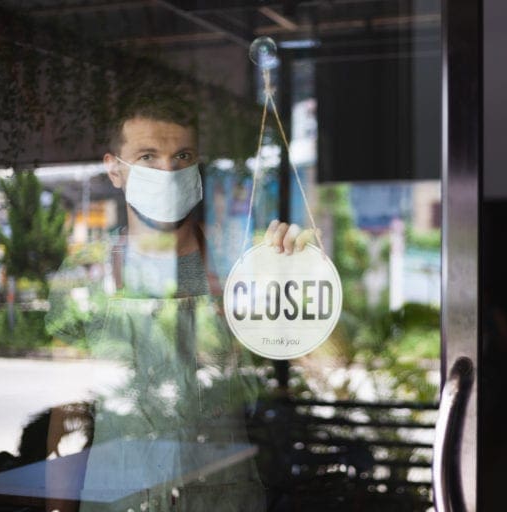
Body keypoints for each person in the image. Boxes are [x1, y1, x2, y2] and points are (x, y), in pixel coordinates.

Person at [45, 93, 311, 512]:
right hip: (118, 499)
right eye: (148, 156)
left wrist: (300, 279)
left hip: (225, 499)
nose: (168, 170)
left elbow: (319, 363)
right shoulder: (86, 273)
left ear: (197, 164)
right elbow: (67, 414)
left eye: (182, 155)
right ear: (115, 168)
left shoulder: (239, 266)